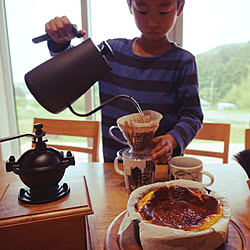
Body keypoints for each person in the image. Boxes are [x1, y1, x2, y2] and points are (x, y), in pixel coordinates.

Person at [45, 0, 203, 163]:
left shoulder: (183, 61)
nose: (152, 23)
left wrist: (173, 139)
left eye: (163, 11)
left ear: (180, 7)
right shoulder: (111, 53)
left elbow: (193, 115)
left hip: (163, 172)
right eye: (142, 10)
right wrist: (60, 44)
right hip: (115, 169)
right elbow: (70, 75)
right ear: (130, 5)